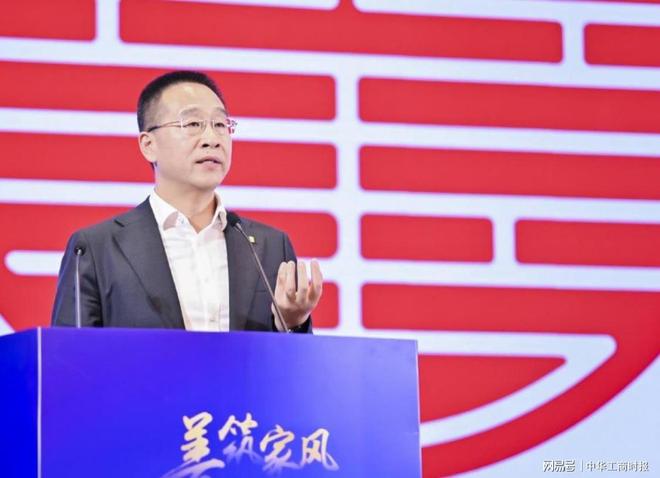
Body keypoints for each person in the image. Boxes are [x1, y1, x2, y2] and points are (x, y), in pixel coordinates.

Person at [51, 70, 322, 333]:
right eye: (192, 124)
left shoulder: (269, 247)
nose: (212, 139)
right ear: (148, 145)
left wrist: (292, 323)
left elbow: (292, 358)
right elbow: (69, 356)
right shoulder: (96, 248)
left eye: (220, 125)